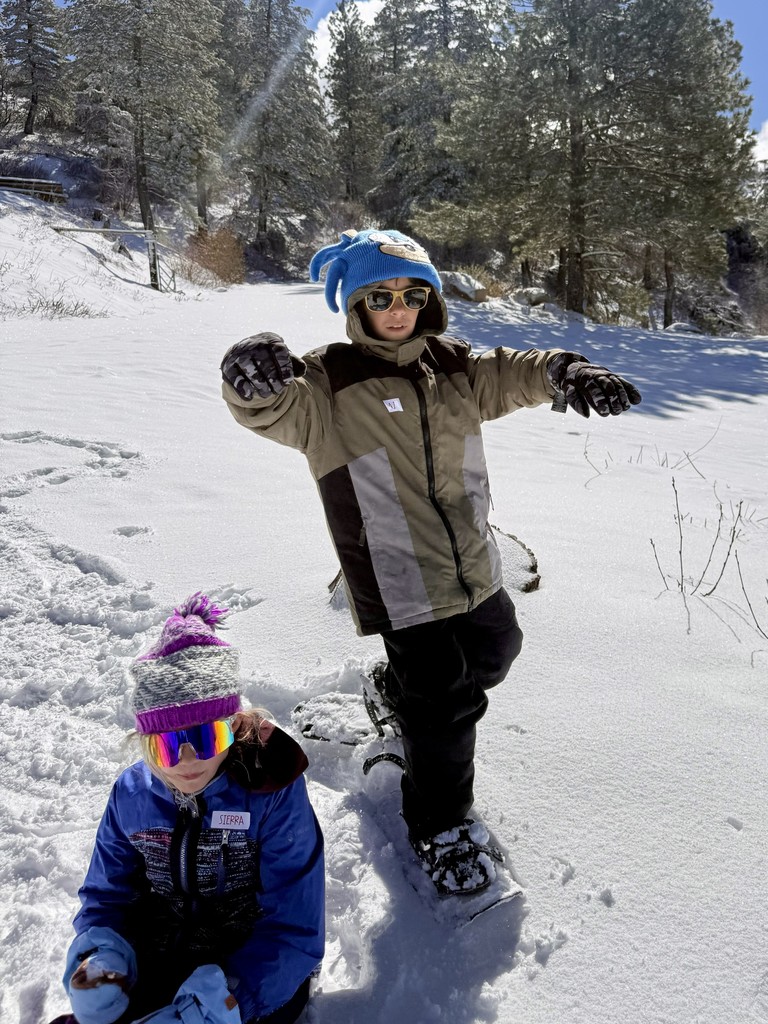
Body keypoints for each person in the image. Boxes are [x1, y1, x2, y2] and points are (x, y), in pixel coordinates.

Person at [219, 228, 641, 897]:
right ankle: (440, 822)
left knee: (497, 651)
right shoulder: (326, 381)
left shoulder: (454, 366)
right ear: (355, 302)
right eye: (380, 295)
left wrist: (567, 371)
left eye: (413, 295)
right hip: (397, 577)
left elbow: (516, 370)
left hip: (472, 561)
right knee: (445, 702)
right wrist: (250, 379)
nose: (398, 308)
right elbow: (271, 408)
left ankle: (397, 693)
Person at [52, 593, 324, 1024]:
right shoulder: (131, 795)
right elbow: (107, 895)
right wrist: (103, 955)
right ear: (144, 743)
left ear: (233, 727)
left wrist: (228, 1002)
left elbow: (294, 926)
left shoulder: (272, 794)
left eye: (207, 738)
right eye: (167, 745)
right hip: (160, 958)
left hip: (252, 977)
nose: (188, 760)